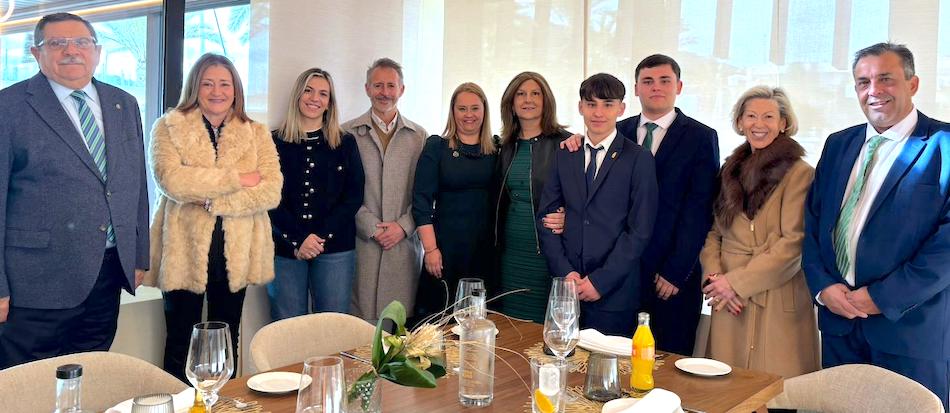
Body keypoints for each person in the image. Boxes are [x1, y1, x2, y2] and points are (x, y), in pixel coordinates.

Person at [803, 42, 950, 409]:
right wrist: (823, 287)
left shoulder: (944, 145)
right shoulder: (838, 144)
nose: (874, 91)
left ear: (913, 84)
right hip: (839, 324)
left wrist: (882, 298)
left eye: (886, 79)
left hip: (909, 331)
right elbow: (815, 224)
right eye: (863, 82)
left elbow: (946, 249)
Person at [0, 12, 150, 368]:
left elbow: (136, 187)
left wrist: (138, 255)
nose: (71, 51)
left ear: (97, 52)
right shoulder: (9, 107)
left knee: (91, 372)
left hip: (107, 273)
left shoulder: (123, 103)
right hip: (35, 284)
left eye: (81, 42)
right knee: (28, 383)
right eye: (57, 43)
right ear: (36, 53)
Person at [146, 53, 281, 381]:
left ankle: (222, 403)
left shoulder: (256, 132)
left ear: (235, 90)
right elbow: (173, 181)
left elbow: (270, 190)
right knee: (180, 339)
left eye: (224, 84)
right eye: (208, 84)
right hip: (183, 252)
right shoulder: (168, 126)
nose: (216, 91)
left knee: (226, 338)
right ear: (195, 87)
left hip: (234, 254)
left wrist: (212, 201)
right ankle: (180, 402)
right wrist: (238, 179)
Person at [699, 86, 819, 378]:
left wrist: (736, 283)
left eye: (768, 116)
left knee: (774, 386)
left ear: (783, 123)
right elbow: (714, 233)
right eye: (751, 116)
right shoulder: (729, 170)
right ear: (740, 122)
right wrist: (716, 280)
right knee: (725, 385)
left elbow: (793, 243)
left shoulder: (800, 173)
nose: (759, 124)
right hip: (727, 297)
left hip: (776, 292)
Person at [537, 73, 658, 336]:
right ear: (581, 107)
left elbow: (640, 231)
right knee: (560, 356)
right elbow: (547, 219)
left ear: (621, 109)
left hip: (614, 294)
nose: (598, 113)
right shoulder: (565, 154)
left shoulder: (639, 158)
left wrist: (600, 281)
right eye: (591, 104)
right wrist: (565, 273)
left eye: (607, 104)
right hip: (565, 291)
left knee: (607, 362)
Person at [616, 54, 720, 355]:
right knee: (617, 358)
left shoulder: (701, 137)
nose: (656, 87)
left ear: (679, 86)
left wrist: (676, 270)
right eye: (648, 81)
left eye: (665, 81)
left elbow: (700, 209)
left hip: (671, 277)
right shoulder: (617, 131)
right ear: (636, 88)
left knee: (668, 362)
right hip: (620, 274)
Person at [268, 68, 364, 320]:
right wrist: (299, 239)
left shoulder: (345, 143)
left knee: (332, 326)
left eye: (323, 94)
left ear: (330, 102)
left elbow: (353, 196)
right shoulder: (273, 142)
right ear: (297, 95)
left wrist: (319, 237)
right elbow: (268, 198)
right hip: (285, 248)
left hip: (336, 248)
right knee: (287, 326)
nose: (314, 98)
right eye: (308, 91)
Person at [343, 58, 428, 321]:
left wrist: (403, 226)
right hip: (362, 245)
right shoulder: (346, 133)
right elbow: (341, 191)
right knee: (359, 327)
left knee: (399, 327)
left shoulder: (419, 137)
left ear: (401, 89)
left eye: (391, 85)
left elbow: (426, 193)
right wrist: (370, 226)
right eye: (378, 85)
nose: (384, 92)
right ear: (367, 88)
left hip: (403, 247)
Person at [413, 82, 497, 320]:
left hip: (484, 251)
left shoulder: (497, 149)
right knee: (438, 321)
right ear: (453, 111)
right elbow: (421, 202)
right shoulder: (437, 147)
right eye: (462, 108)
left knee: (480, 323)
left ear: (484, 110)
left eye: (475, 108)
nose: (469, 115)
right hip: (444, 251)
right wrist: (430, 250)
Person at [494, 72, 572, 323]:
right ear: (511, 103)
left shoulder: (566, 144)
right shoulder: (504, 145)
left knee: (544, 323)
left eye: (535, 93)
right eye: (521, 94)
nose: (528, 99)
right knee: (511, 323)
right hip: (510, 249)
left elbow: (586, 197)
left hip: (548, 250)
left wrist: (569, 217)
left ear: (546, 100)